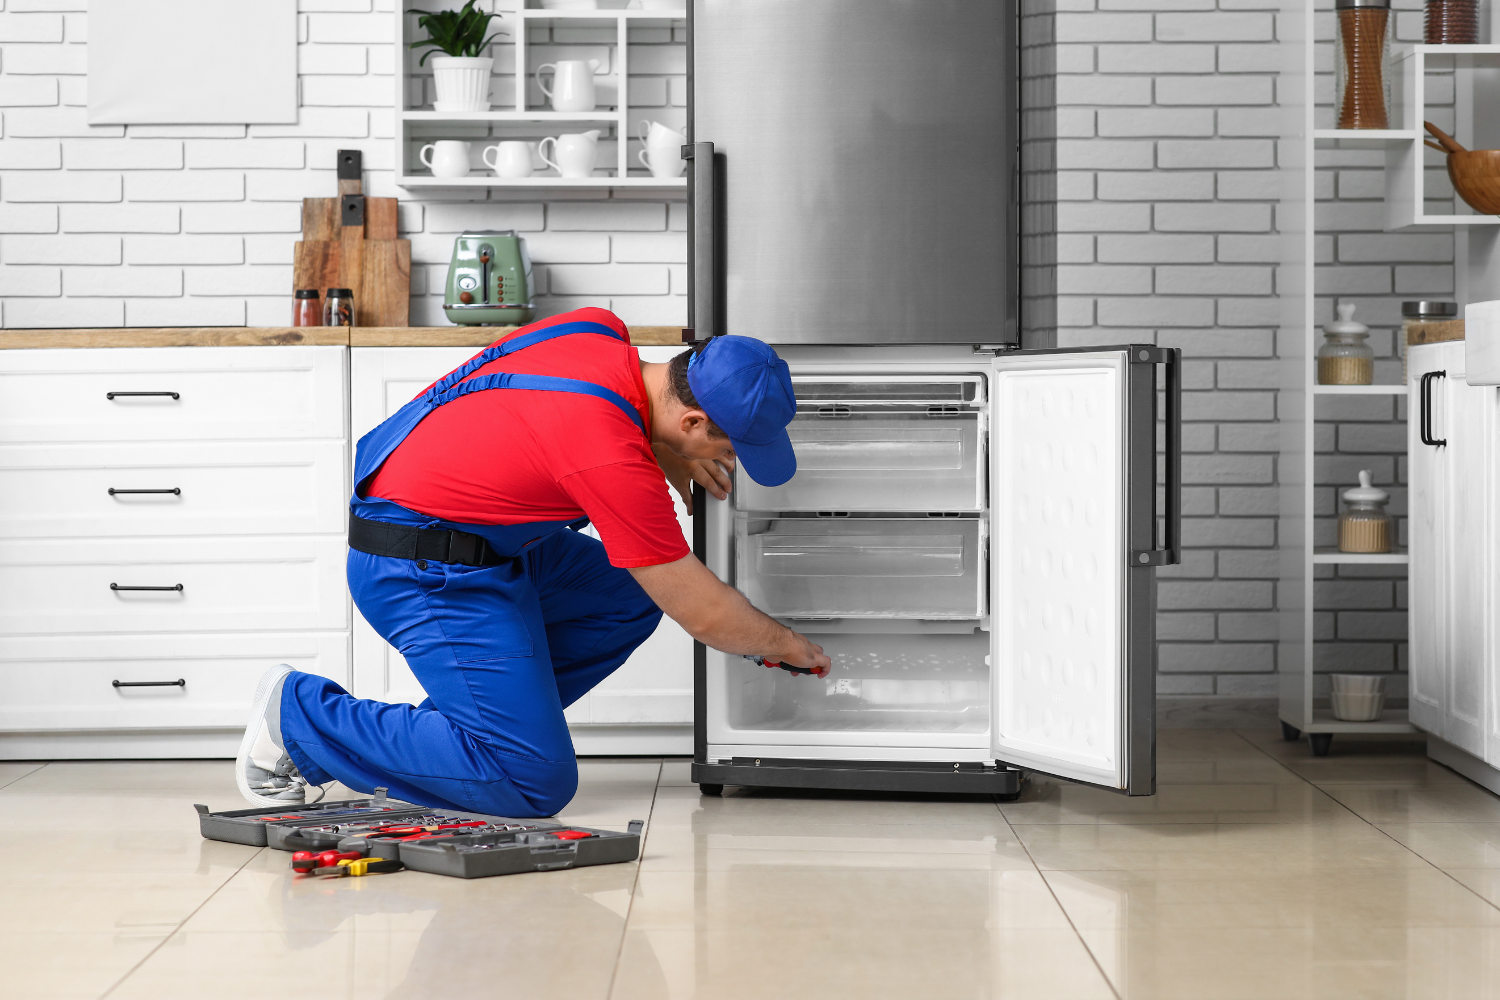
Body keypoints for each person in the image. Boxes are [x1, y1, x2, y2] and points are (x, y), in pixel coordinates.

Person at [234, 307, 832, 814]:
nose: (731, 459)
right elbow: (702, 613)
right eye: (727, 446)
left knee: (624, 599)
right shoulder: (610, 459)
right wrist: (789, 646)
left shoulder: (598, 330)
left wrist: (671, 451)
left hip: (484, 540)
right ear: (694, 419)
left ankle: (451, 747)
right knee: (533, 781)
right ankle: (297, 716)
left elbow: (566, 415)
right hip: (420, 568)